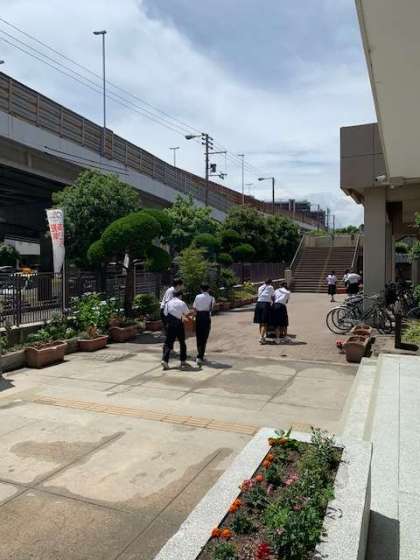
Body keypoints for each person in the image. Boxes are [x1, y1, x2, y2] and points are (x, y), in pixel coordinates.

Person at [161, 290, 190, 370]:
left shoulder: (168, 303)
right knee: (182, 342)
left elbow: (165, 314)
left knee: (168, 343)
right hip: (179, 324)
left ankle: (165, 360)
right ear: (180, 296)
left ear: (173, 295)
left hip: (170, 325)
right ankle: (183, 361)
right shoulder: (182, 303)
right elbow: (187, 313)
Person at [193, 283, 215, 366]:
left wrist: (194, 317)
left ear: (201, 289)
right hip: (206, 317)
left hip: (199, 316)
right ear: (208, 289)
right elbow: (211, 308)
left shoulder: (197, 297)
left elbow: (194, 308)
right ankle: (200, 356)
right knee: (205, 336)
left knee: (199, 336)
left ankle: (199, 355)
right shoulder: (212, 298)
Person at [253, 278, 275, 344]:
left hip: (258, 304)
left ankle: (262, 337)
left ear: (264, 282)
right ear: (270, 282)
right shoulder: (271, 287)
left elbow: (259, 295)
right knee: (265, 322)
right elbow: (273, 297)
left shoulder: (260, 287)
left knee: (260, 322)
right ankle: (261, 337)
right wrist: (273, 303)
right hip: (265, 304)